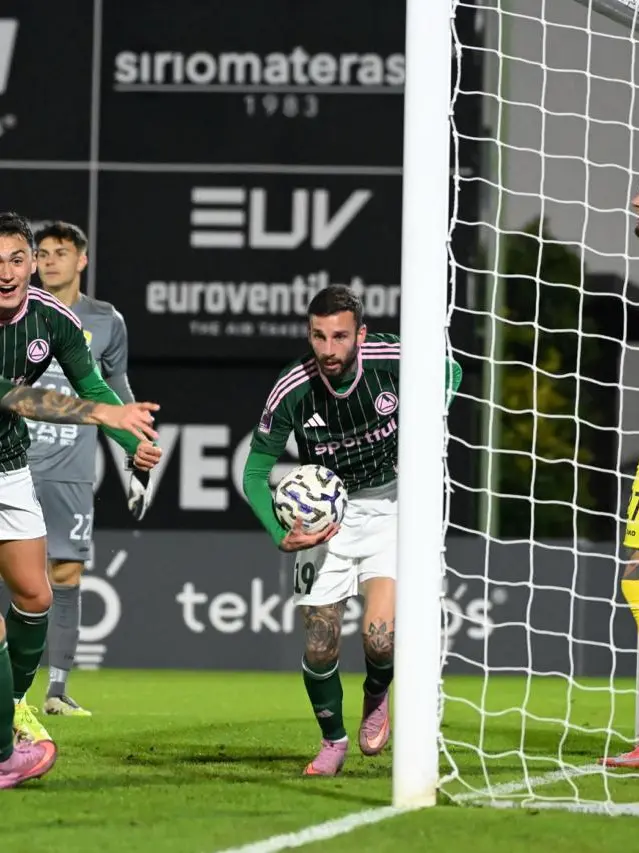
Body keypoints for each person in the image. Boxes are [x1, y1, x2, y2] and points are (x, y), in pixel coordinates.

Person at [242, 284, 461, 776]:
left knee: (380, 639)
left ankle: (376, 693)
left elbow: (451, 369)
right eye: (318, 336)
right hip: (325, 524)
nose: (328, 349)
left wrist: (427, 425)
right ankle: (332, 740)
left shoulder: (389, 358)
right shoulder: (293, 388)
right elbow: (254, 475)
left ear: (359, 334)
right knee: (320, 644)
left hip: (390, 508)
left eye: (340, 336)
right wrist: (280, 533)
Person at [0, 211, 161, 763]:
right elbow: (17, 399)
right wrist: (102, 414)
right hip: (13, 448)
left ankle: (16, 701)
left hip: (9, 465)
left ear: (31, 265)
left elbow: (92, 381)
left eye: (18, 259)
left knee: (37, 597)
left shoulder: (54, 319)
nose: (8, 271)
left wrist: (130, 442)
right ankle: (2, 748)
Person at [18, 221, 140, 717]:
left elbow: (116, 392)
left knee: (65, 574)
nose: (49, 261)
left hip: (70, 471)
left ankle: (58, 690)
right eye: (41, 253)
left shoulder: (106, 321)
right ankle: (14, 689)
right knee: (17, 578)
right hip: (15, 464)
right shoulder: (17, 312)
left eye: (60, 252)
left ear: (81, 260)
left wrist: (135, 452)